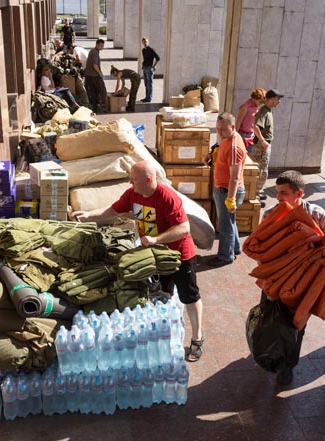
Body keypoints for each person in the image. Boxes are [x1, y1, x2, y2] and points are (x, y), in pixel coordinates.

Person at [70, 161, 205, 362]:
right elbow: (114, 210)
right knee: (163, 295)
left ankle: (197, 337)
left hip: (179, 255)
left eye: (134, 180)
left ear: (148, 180)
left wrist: (156, 239)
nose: (130, 183)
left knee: (189, 296)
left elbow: (184, 228)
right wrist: (89, 215)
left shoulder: (167, 197)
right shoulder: (133, 194)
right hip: (153, 255)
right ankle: (168, 334)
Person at [260, 171, 325, 385]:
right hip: (275, 282)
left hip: (304, 284)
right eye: (277, 192)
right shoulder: (270, 214)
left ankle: (287, 367)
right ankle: (270, 356)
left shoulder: (318, 214)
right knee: (270, 320)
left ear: (299, 193)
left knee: (295, 326)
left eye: (284, 193)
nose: (278, 198)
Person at [207, 113, 247, 267]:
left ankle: (225, 256)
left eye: (223, 129)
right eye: (217, 128)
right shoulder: (228, 139)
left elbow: (235, 178)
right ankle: (235, 248)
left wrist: (230, 199)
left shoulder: (234, 147)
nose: (220, 132)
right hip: (223, 189)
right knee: (230, 222)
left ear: (233, 127)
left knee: (224, 226)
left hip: (227, 191)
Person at [250, 89, 283, 202]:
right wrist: (263, 141)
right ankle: (254, 194)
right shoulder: (264, 111)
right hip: (262, 146)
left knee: (262, 169)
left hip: (264, 145)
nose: (278, 102)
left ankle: (256, 192)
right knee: (261, 170)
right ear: (271, 99)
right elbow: (255, 126)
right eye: (277, 99)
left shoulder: (268, 110)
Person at [84, 39, 108, 112]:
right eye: (100, 45)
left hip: (89, 75)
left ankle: (95, 107)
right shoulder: (95, 53)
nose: (102, 47)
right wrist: (100, 73)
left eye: (103, 45)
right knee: (102, 91)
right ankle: (103, 107)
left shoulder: (92, 51)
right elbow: (95, 65)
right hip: (94, 75)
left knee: (93, 92)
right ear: (97, 45)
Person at [141, 37, 160, 103]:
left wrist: (154, 66)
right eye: (144, 42)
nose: (145, 43)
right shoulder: (143, 50)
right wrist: (143, 66)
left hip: (149, 68)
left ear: (148, 42)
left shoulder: (151, 50)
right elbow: (144, 59)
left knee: (150, 83)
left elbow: (158, 58)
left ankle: (149, 98)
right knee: (146, 83)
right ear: (142, 43)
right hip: (144, 67)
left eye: (146, 42)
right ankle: (146, 97)